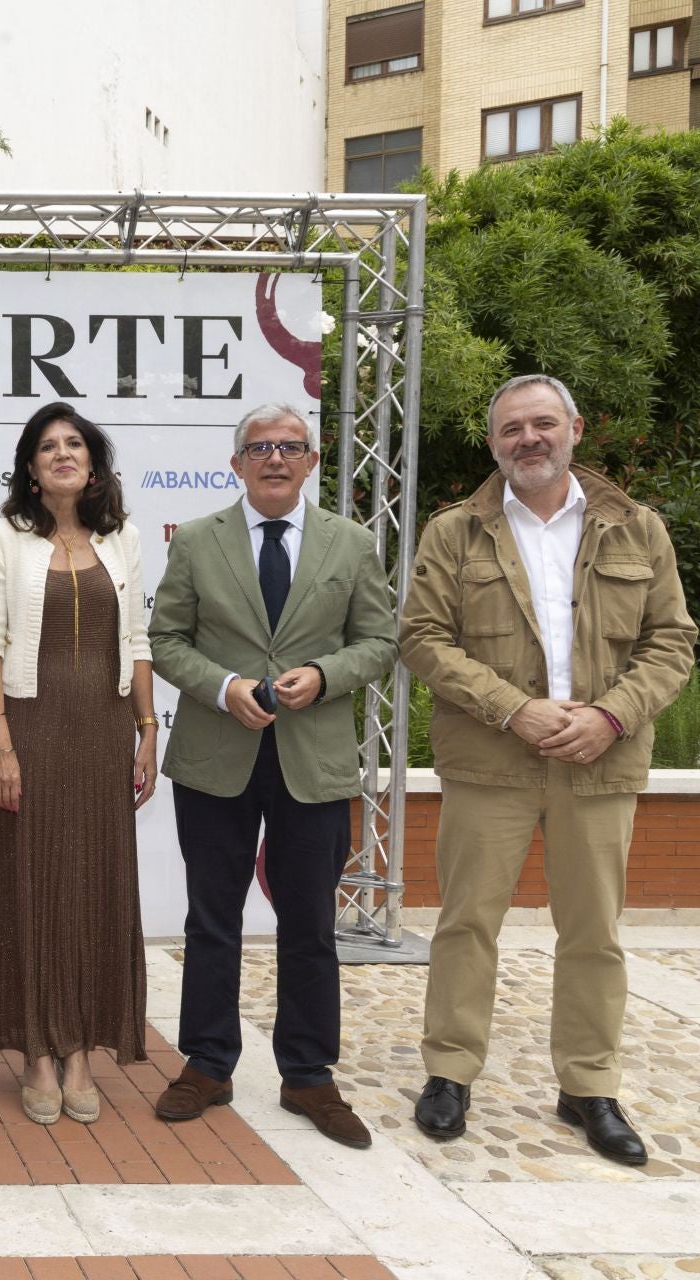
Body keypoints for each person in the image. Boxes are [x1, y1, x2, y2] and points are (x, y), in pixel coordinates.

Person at [400, 373, 694, 1164]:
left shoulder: (639, 530)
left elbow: (672, 643)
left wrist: (612, 716)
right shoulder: (454, 532)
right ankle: (450, 1072)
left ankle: (589, 1085)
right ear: (493, 443)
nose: (527, 440)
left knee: (593, 932)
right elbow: (424, 637)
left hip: (600, 761)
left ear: (574, 428)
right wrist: (513, 708)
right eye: (511, 430)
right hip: (491, 761)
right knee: (466, 924)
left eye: (541, 425)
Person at [147, 402, 395, 1148]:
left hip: (311, 763)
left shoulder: (351, 544)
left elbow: (380, 642)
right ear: (238, 463)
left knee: (311, 926)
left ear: (313, 461)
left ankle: (309, 1076)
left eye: (291, 446)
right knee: (212, 921)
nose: (276, 458)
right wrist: (224, 689)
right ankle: (208, 1063)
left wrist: (323, 674)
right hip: (214, 760)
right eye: (260, 447)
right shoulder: (196, 541)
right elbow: (165, 639)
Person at [0, 402, 156, 1126]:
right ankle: (38, 1053)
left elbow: (137, 639)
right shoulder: (2, 538)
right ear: (32, 469)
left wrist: (146, 730)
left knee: (94, 886)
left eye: (75, 443)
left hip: (104, 734)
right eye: (49, 446)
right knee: (32, 884)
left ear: (94, 463)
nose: (63, 454)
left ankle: (79, 1052)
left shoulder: (124, 537)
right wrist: (0, 741)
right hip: (32, 732)